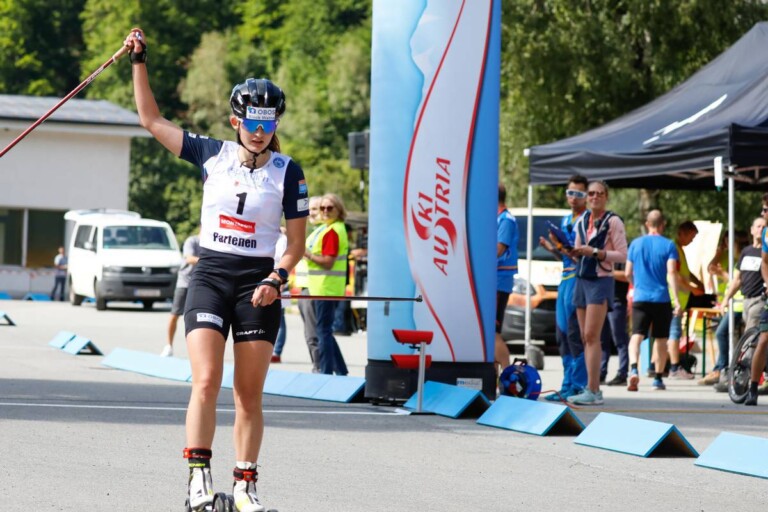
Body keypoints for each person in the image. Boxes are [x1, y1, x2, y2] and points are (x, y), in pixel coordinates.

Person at [125, 28, 308, 512]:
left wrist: (277, 277)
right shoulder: (211, 154)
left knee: (249, 394)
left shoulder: (289, 171)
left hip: (258, 284)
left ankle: (246, 486)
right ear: (236, 119)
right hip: (210, 275)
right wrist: (139, 61)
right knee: (205, 381)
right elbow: (150, 119)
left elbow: (295, 245)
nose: (260, 131)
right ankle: (197, 482)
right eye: (252, 122)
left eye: (268, 123)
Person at [567, 180, 627, 406]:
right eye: (591, 193)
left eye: (599, 194)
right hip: (582, 278)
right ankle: (590, 387)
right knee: (585, 336)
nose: (594, 197)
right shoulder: (582, 220)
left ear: (606, 196)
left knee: (592, 336)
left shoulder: (613, 221)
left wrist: (595, 252)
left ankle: (594, 389)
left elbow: (622, 255)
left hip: (601, 280)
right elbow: (577, 252)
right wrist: (562, 249)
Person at [538, 174, 588, 401]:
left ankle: (578, 385)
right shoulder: (566, 218)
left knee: (574, 333)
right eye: (570, 193)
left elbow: (583, 257)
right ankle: (567, 384)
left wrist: (565, 248)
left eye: (578, 194)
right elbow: (565, 256)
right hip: (565, 279)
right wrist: (552, 247)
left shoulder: (587, 221)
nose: (573, 198)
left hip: (579, 279)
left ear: (586, 196)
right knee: (561, 334)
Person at [624, 210, 681, 392]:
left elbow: (627, 273)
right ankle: (657, 378)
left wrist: (636, 285)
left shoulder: (635, 244)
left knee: (636, 336)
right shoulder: (669, 245)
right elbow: (672, 272)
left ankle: (633, 368)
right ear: (662, 224)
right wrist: (677, 300)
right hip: (661, 298)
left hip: (640, 297)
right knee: (661, 339)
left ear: (647, 224)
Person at [705, 222, 763, 388]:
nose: (760, 229)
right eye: (757, 226)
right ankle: (736, 371)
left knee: (749, 340)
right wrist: (724, 300)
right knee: (747, 339)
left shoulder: (764, 252)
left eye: (763, 226)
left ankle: (743, 378)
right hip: (744, 301)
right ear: (751, 230)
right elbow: (737, 280)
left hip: (759, 300)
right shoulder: (746, 253)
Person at [305, 193, 349, 375]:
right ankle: (341, 371)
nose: (324, 211)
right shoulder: (329, 228)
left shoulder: (332, 231)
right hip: (324, 287)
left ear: (339, 210)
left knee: (322, 331)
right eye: (322, 207)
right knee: (325, 331)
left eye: (329, 208)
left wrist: (306, 254)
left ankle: (326, 372)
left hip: (326, 288)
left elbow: (328, 262)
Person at [664, 221, 705, 379]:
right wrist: (694, 289)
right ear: (683, 233)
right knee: (674, 333)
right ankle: (674, 367)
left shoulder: (679, 249)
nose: (692, 241)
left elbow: (685, 272)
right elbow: (676, 275)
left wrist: (697, 281)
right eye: (691, 237)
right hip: (675, 299)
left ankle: (657, 366)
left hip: (678, 298)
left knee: (666, 334)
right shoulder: (674, 248)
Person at [162, 231, 201, 357]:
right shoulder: (192, 241)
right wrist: (208, 261)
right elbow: (189, 258)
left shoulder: (212, 244)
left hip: (200, 284)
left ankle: (198, 351)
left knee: (197, 318)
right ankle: (168, 346)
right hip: (185, 282)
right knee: (175, 315)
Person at [295, 196, 322, 371]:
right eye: (309, 209)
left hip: (316, 287)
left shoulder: (325, 231)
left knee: (314, 334)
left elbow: (326, 260)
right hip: (306, 286)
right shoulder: (314, 232)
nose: (310, 213)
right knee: (309, 333)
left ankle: (319, 367)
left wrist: (304, 252)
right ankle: (320, 366)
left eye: (315, 209)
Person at [746, 194, 768, 406]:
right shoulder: (767, 234)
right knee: (764, 338)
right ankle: (753, 386)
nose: (763, 213)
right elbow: (764, 262)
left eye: (765, 210)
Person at [495, 183, 517, 374]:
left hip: (499, 282)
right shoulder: (497, 218)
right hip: (492, 282)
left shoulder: (506, 220)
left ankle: (508, 375)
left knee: (493, 333)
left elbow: (498, 249)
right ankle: (493, 378)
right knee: (489, 334)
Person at [599, 262, 630, 386]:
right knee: (602, 340)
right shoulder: (601, 254)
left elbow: (627, 275)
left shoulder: (621, 255)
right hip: (601, 301)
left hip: (617, 302)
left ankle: (622, 374)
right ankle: (601, 373)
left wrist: (607, 270)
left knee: (620, 339)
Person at [271, 227, 289, 363]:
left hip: (278, 282)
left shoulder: (282, 239)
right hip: (264, 281)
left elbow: (285, 262)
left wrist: (281, 284)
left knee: (279, 319)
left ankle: (276, 351)